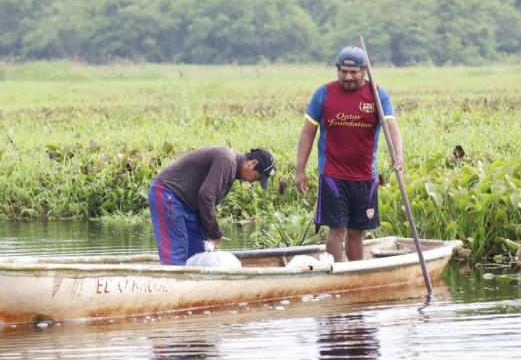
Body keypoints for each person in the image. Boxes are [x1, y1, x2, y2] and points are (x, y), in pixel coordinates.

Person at [295, 46, 404, 262]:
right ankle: (333, 273)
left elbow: (392, 127)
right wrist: (300, 170)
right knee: (337, 228)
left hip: (365, 176)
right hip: (332, 174)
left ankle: (355, 272)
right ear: (337, 69)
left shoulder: (378, 95)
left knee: (356, 231)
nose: (348, 76)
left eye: (353, 72)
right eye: (343, 71)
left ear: (364, 70)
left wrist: (398, 156)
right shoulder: (324, 94)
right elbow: (307, 134)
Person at [149, 147, 276, 265]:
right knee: (176, 250)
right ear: (252, 164)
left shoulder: (231, 170)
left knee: (198, 254)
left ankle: (194, 287)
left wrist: (208, 231)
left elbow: (206, 198)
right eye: (257, 177)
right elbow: (206, 195)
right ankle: (172, 285)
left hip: (190, 206)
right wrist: (214, 232)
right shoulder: (227, 161)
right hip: (168, 194)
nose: (252, 181)